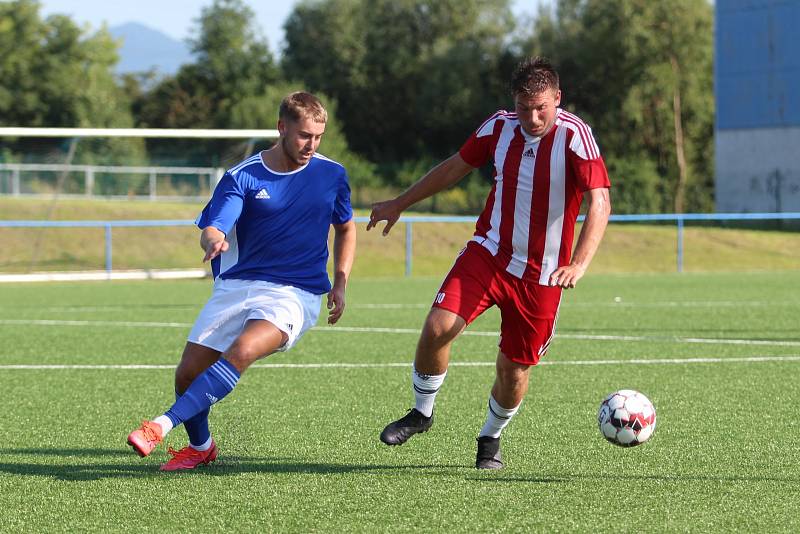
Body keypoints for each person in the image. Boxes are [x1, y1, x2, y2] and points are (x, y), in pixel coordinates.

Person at [367, 57, 611, 469]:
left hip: (543, 275)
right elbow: (454, 168)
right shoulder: (499, 126)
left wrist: (579, 263)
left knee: (513, 371)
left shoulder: (575, 136)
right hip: (490, 253)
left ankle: (490, 439)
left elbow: (599, 202)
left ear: (557, 99)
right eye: (523, 107)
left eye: (541, 108)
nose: (532, 117)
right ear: (513, 102)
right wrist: (400, 203)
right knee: (437, 327)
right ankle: (421, 412)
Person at [126, 91, 356, 471]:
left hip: (294, 294)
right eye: (303, 136)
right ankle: (202, 447)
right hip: (237, 286)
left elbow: (346, 228)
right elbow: (215, 225)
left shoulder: (332, 174)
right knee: (187, 375)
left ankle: (160, 425)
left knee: (246, 349)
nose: (311, 145)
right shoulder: (243, 176)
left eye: (318, 137)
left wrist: (341, 281)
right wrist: (214, 239)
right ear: (282, 127)